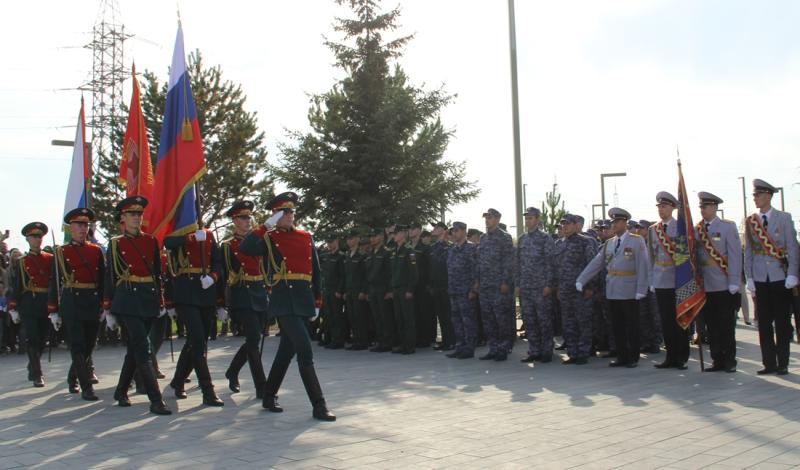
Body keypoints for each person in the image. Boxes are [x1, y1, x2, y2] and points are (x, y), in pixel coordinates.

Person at [241, 192, 335, 421]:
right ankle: (319, 404)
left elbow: (316, 271)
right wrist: (264, 227)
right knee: (305, 350)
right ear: (275, 215)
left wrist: (318, 301)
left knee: (286, 351)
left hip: (303, 300)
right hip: (284, 300)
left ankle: (269, 394)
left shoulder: (305, 236)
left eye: (292, 211)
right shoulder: (269, 238)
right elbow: (246, 248)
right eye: (284, 212)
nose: (290, 215)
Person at [103, 196, 171, 414]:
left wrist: (161, 300)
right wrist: (108, 308)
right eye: (132, 214)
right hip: (127, 301)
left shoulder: (151, 241)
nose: (136, 217)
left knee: (134, 349)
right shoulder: (115, 244)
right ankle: (155, 399)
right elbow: (110, 277)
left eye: (139, 214)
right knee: (143, 347)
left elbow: (158, 274)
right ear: (123, 217)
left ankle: (121, 390)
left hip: (148, 298)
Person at [577, 208, 649, 368]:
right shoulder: (610, 243)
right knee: (617, 325)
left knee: (631, 325)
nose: (614, 225)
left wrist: (641, 289)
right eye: (613, 222)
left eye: (617, 222)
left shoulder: (636, 241)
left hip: (630, 290)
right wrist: (582, 279)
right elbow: (596, 263)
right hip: (613, 290)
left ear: (625, 223)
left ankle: (633, 357)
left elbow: (643, 265)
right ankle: (622, 356)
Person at [164, 213, 224, 406]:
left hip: (205, 290)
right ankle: (208, 390)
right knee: (197, 341)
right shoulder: (179, 234)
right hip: (186, 291)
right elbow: (168, 242)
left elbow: (218, 262)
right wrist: (190, 237)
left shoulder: (208, 235)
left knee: (197, 341)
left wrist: (213, 277)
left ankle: (178, 380)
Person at [744, 179, 799, 375]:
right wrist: (749, 276)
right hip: (760, 277)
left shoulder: (783, 218)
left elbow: (792, 248)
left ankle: (783, 362)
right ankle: (769, 362)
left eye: (758, 195)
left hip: (779, 277)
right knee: (764, 322)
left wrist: (793, 274)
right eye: (754, 195)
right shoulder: (751, 221)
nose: (755, 198)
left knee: (782, 322)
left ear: (768, 196)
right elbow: (749, 252)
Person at [48, 208, 105, 400]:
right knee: (77, 345)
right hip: (72, 300)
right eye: (79, 225)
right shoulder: (61, 252)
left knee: (89, 345)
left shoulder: (96, 251)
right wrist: (53, 310)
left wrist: (106, 305)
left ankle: (73, 376)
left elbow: (104, 279)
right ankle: (86, 386)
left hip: (91, 300)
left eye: (85, 225)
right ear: (70, 228)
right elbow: (54, 283)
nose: (83, 229)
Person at [221, 200, 269, 397]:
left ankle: (232, 371)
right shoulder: (228, 245)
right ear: (234, 221)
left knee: (254, 340)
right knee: (253, 338)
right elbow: (226, 275)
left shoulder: (260, 241)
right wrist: (223, 303)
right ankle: (261, 386)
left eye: (249, 216)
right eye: (243, 217)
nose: (247, 220)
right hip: (243, 294)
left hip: (260, 291)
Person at [695, 191, 742, 373]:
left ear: (715, 207)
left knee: (726, 326)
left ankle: (730, 361)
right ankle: (717, 360)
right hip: (705, 285)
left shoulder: (727, 227)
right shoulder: (697, 230)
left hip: (723, 284)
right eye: (701, 207)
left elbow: (735, 255)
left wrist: (734, 281)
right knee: (711, 325)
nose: (703, 210)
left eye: (706, 206)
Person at [8, 222, 53, 387]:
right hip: (29, 302)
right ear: (27, 239)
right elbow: (17, 285)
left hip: (45, 301)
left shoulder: (50, 259)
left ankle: (32, 364)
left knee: (42, 339)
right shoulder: (21, 261)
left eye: (39, 236)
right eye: (34, 236)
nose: (37, 239)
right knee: (32, 338)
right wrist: (13, 307)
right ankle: (37, 374)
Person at [648, 191, 689, 370]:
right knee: (665, 320)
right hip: (660, 279)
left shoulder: (680, 227)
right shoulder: (653, 229)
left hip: (676, 279)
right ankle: (670, 356)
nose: (661, 210)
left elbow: (683, 256)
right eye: (659, 207)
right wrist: (651, 280)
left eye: (664, 206)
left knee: (679, 319)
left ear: (673, 207)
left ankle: (681, 357)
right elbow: (651, 256)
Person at [514, 208, 556, 363]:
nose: (527, 221)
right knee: (530, 321)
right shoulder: (522, 239)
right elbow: (517, 264)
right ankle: (534, 350)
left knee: (544, 320)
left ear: (538, 220)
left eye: (531, 218)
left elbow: (551, 264)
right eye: (526, 218)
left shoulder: (546, 239)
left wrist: (548, 285)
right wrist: (517, 284)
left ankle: (546, 351)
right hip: (526, 287)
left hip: (541, 287)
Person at [553, 214, 596, 364]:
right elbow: (557, 268)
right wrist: (557, 287)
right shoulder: (559, 244)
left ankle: (583, 353)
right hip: (565, 289)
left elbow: (592, 266)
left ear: (575, 225)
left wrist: (590, 286)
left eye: (568, 224)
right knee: (568, 322)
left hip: (581, 290)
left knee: (582, 322)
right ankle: (572, 352)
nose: (564, 227)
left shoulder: (586, 242)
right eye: (563, 224)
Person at [475, 208, 514, 361]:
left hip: (498, 285)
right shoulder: (483, 238)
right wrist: (478, 281)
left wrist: (505, 281)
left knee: (501, 319)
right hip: (485, 285)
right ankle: (493, 348)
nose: (487, 220)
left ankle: (503, 349)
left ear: (497, 219)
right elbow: (480, 262)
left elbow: (508, 262)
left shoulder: (504, 237)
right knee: (488, 319)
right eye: (486, 217)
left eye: (490, 217)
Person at [389, 225, 418, 355]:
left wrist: (410, 290)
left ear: (402, 234)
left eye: (395, 233)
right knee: (398, 318)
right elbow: (393, 272)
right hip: (396, 289)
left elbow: (414, 273)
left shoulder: (409, 251)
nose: (393, 235)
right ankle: (402, 344)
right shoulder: (395, 250)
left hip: (405, 289)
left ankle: (410, 345)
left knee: (408, 319)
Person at [365, 228, 394, 352]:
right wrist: (367, 290)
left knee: (385, 317)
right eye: (370, 236)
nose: (372, 238)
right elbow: (368, 274)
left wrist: (389, 290)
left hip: (383, 289)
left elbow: (390, 273)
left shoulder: (386, 253)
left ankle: (388, 342)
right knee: (376, 317)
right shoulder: (371, 253)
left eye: (374, 236)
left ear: (381, 237)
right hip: (372, 289)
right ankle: (381, 341)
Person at [428, 222, 454, 350]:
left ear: (444, 231)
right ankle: (445, 340)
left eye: (437, 228)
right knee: (441, 316)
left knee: (448, 315)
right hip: (436, 286)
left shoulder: (448, 247)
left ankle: (451, 341)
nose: (434, 229)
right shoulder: (433, 247)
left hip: (446, 286)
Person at [343, 229, 369, 350]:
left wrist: (363, 291)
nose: (349, 241)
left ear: (357, 239)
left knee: (360, 317)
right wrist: (345, 291)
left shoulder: (362, 255)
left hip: (358, 290)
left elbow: (365, 275)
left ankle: (363, 341)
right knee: (352, 316)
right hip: (350, 290)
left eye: (351, 238)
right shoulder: (348, 254)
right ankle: (356, 340)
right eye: (348, 239)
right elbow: (345, 275)